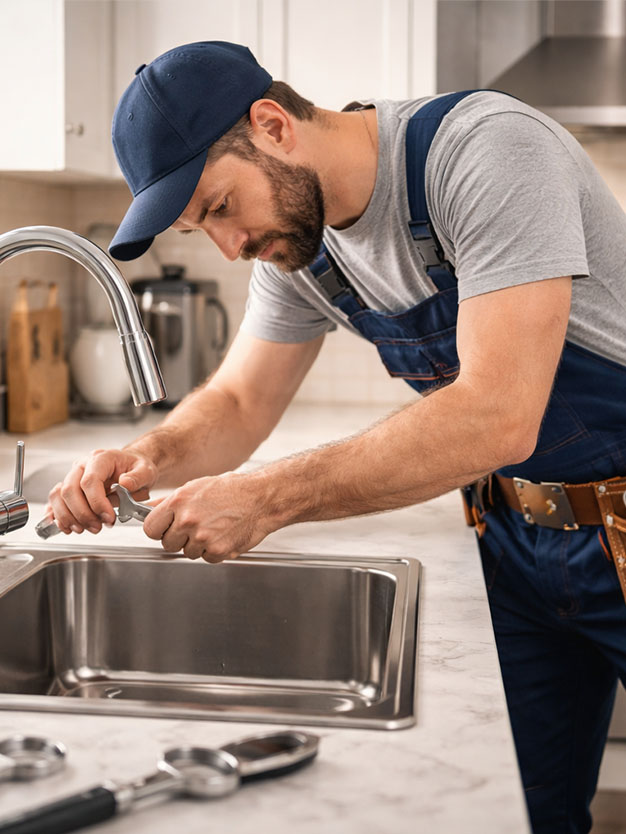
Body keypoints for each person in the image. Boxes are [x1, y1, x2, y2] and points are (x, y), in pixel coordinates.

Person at [47, 41, 626, 834]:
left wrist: (265, 498)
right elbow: (243, 400)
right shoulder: (304, 251)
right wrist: (149, 458)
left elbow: (499, 412)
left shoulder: (484, 153)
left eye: (218, 207)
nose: (230, 246)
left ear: (273, 124)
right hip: (514, 536)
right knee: (524, 813)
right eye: (199, 230)